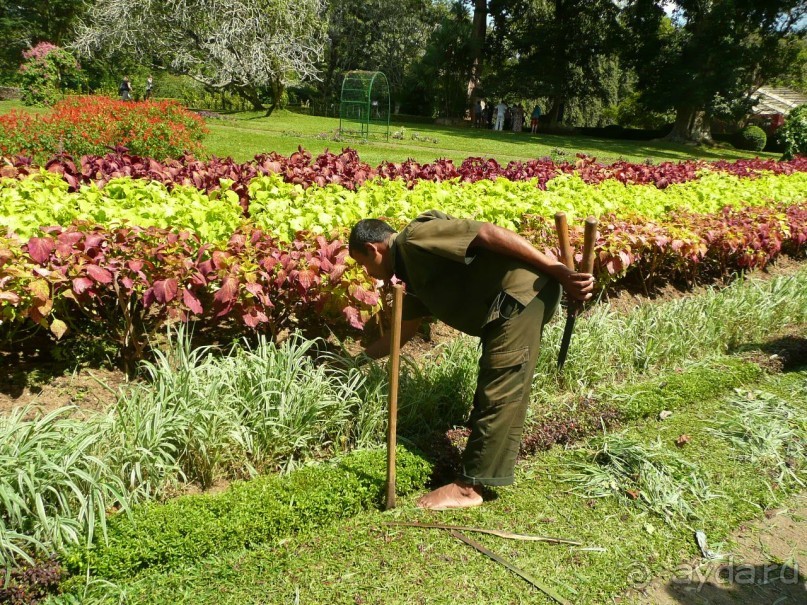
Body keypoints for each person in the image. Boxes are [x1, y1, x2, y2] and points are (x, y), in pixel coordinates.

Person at [348, 211, 594, 510]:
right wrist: (358, 360)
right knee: (500, 378)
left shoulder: (413, 240)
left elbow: (486, 233)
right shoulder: (411, 272)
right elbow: (403, 332)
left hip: (519, 295)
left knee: (501, 384)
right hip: (510, 302)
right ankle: (482, 460)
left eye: (363, 264)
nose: (367, 273)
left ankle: (469, 487)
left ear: (374, 250)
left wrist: (557, 270)